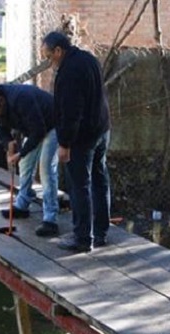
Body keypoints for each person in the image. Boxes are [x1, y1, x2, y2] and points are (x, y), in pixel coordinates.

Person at [41, 31, 112, 253]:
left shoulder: (69, 72)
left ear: (58, 51)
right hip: (102, 129)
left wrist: (64, 143)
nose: (49, 62)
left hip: (82, 137)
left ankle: (82, 238)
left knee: (80, 185)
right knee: (100, 180)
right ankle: (100, 232)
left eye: (49, 56)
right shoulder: (89, 59)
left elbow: (72, 111)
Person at [0, 84, 61, 237]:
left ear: (1, 101)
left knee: (46, 169)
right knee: (25, 164)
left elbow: (39, 130)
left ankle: (50, 218)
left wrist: (21, 153)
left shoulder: (21, 98)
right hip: (34, 129)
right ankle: (22, 204)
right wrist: (8, 143)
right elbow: (2, 129)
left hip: (52, 125)